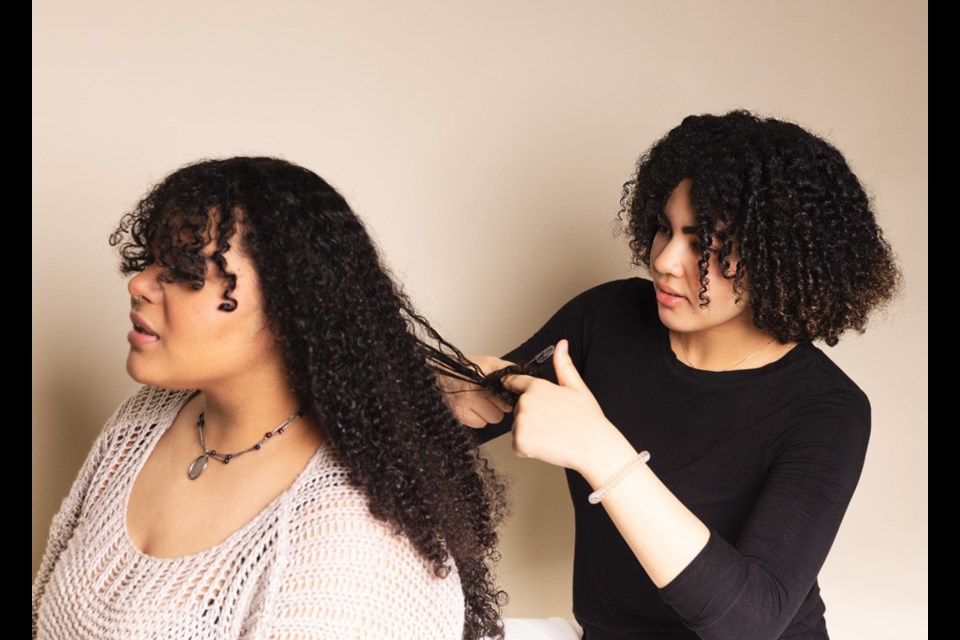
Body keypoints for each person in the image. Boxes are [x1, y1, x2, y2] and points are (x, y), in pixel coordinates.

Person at [443, 111, 901, 639]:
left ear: (781, 257)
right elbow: (458, 422)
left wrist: (599, 449)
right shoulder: (605, 318)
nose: (664, 260)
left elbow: (750, 622)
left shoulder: (827, 408)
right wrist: (448, 385)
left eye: (704, 242)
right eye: (665, 228)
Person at [32, 157, 507, 640]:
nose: (139, 284)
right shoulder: (143, 422)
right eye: (154, 259)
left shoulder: (352, 540)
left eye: (184, 270)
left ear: (289, 308)